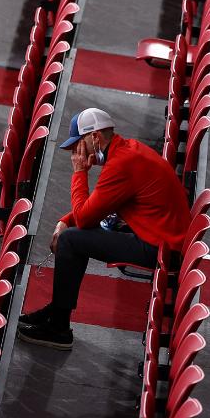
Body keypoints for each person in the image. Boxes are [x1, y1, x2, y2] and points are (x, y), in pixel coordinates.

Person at [16, 108, 191, 350]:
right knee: (72, 235)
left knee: (70, 241)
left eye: (79, 146)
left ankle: (58, 327)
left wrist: (79, 174)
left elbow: (86, 218)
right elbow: (103, 204)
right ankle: (58, 309)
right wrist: (66, 220)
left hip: (160, 248)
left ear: (95, 137)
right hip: (161, 236)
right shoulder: (127, 151)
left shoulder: (121, 164)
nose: (77, 154)